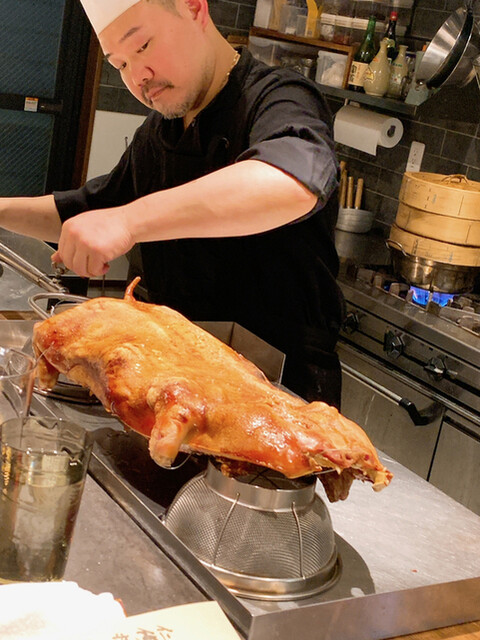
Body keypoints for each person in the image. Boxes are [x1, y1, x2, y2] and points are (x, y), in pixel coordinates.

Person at [0, 0, 345, 408]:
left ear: (194, 9)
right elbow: (88, 211)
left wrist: (128, 221)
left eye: (143, 46)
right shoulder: (161, 131)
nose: (138, 78)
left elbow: (292, 180)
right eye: (120, 64)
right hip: (175, 383)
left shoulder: (280, 96)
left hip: (278, 393)